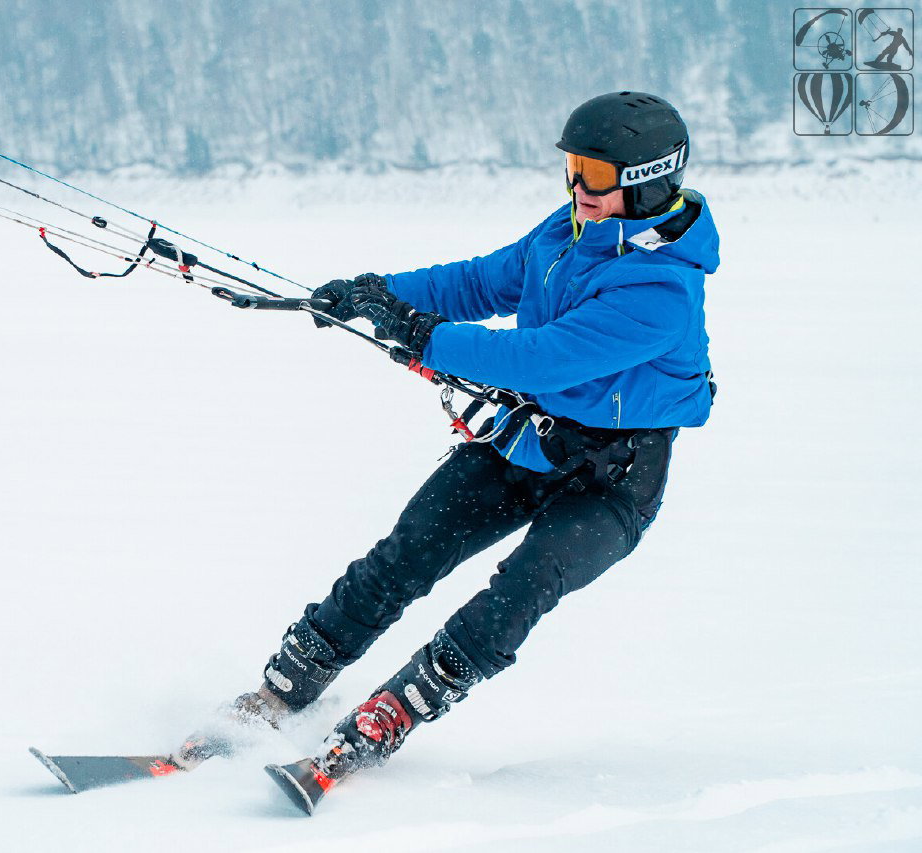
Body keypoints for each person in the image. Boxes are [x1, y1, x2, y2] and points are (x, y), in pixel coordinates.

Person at [234, 91, 721, 792]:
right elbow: (481, 282)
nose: (578, 186)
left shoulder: (662, 291)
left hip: (613, 482)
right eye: (573, 167)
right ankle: (283, 688)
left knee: (515, 593)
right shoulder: (567, 231)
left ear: (645, 181)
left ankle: (391, 713)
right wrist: (379, 294)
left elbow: (539, 357)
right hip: (529, 443)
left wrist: (420, 333)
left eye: (596, 173)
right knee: (409, 550)